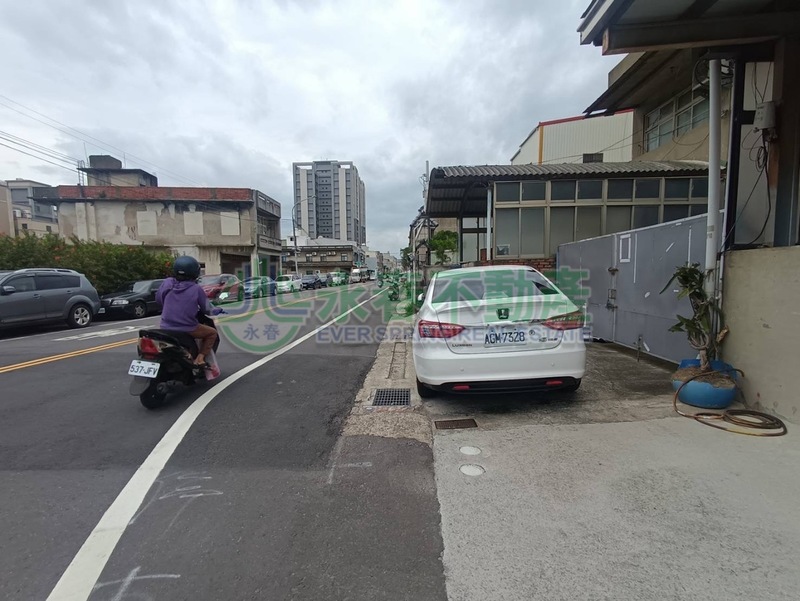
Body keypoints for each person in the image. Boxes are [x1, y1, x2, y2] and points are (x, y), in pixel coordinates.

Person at [156, 256, 222, 366]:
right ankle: (200, 359)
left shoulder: (167, 283)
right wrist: (217, 310)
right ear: (195, 272)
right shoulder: (196, 288)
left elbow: (159, 299)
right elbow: (207, 310)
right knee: (212, 333)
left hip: (165, 326)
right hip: (188, 327)